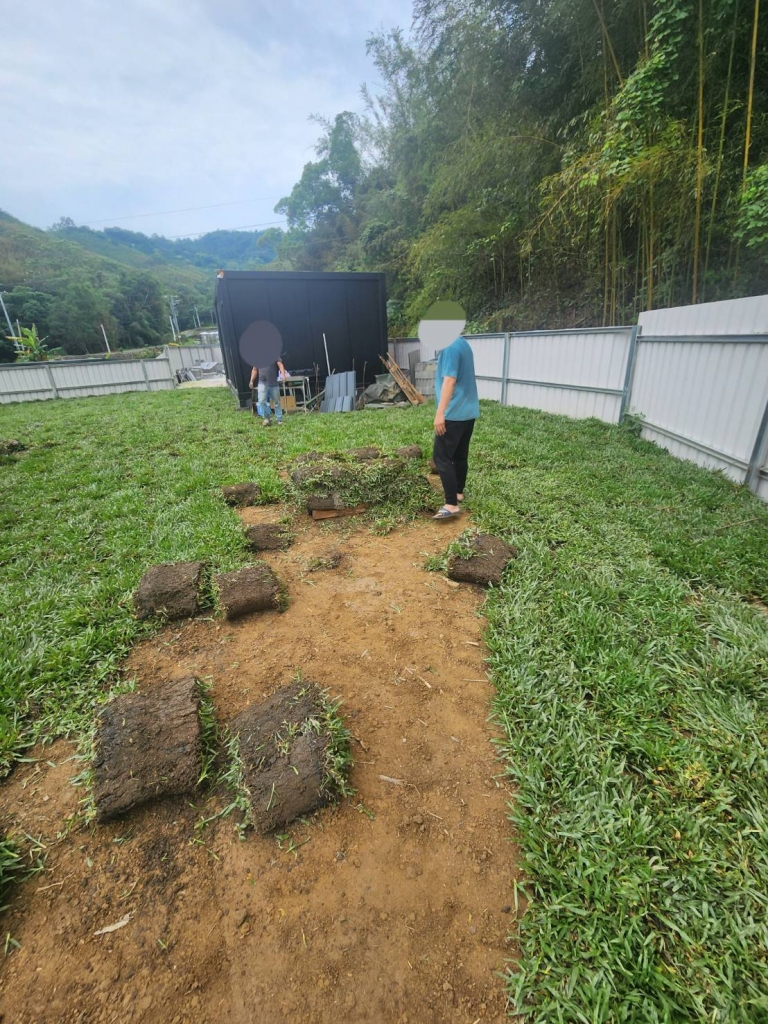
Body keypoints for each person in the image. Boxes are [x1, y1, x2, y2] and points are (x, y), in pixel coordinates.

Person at [432, 334, 479, 519]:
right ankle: (458, 492)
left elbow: (450, 380)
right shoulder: (462, 344)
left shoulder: (450, 346)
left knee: (441, 457)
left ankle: (451, 504)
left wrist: (440, 413)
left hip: (453, 412)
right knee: (460, 455)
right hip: (468, 411)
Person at [250, 357, 286, 426]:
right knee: (261, 401)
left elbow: (280, 364)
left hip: (273, 383)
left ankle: (279, 419)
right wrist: (251, 380)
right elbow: (254, 369)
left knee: (276, 401)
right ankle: (267, 418)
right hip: (262, 382)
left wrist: (283, 375)